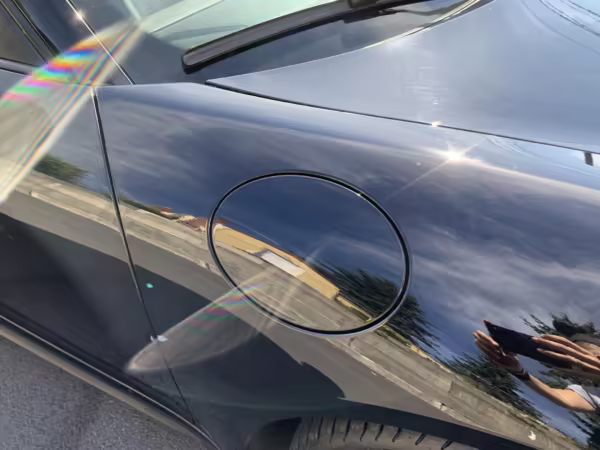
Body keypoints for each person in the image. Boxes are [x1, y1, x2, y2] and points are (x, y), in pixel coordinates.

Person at [475, 322, 600, 413]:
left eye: (597, 358)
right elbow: (565, 399)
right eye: (577, 361)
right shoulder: (592, 392)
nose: (588, 362)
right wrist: (518, 370)